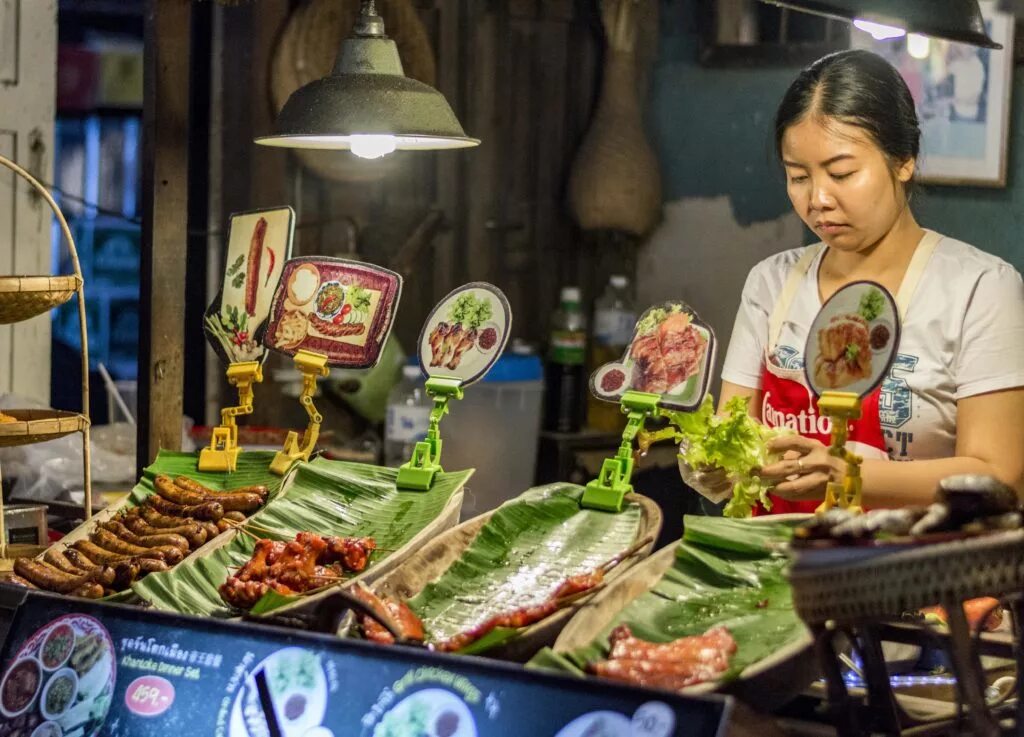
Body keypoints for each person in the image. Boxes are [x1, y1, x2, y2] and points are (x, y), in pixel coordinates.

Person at [681, 49, 1024, 512]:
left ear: (903, 160)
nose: (818, 199)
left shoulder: (981, 288)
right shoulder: (770, 282)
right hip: (774, 564)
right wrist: (708, 463)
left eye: (842, 173)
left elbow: (1000, 475)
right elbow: (730, 434)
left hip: (909, 572)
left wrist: (847, 474)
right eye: (798, 176)